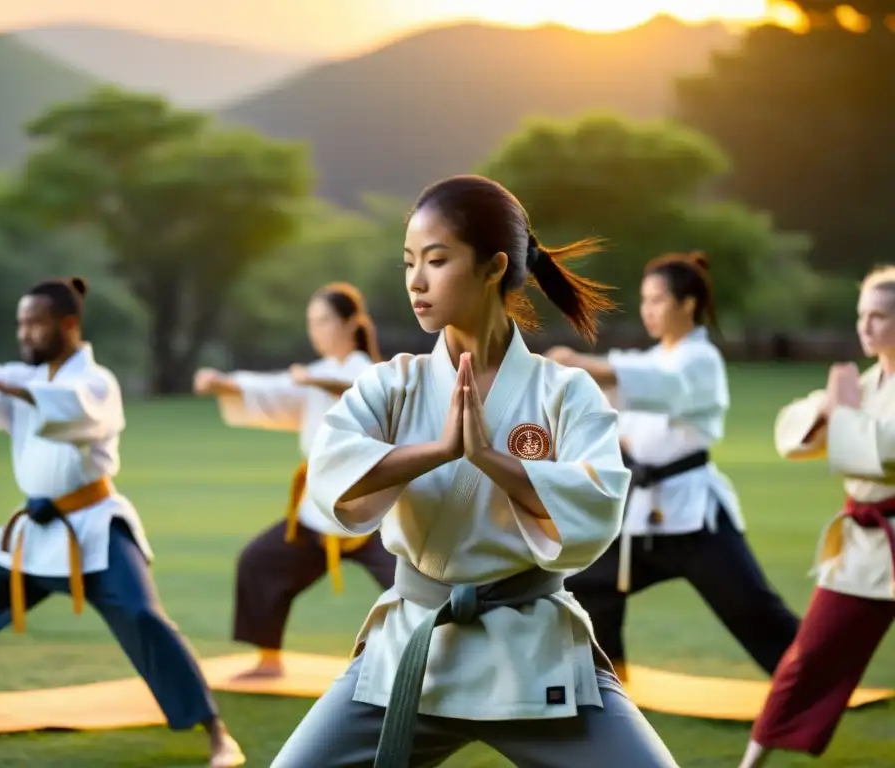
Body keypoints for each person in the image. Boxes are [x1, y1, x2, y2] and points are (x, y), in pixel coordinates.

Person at [270, 175, 678, 768]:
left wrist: (492, 459)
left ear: (493, 268)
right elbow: (333, 471)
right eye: (409, 262)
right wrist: (437, 451)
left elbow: (596, 505)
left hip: (534, 652)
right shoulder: (393, 384)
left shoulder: (564, 392)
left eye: (437, 260)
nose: (416, 280)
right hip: (415, 648)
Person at [0, 277, 244, 768]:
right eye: (21, 324)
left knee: (142, 616)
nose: (25, 333)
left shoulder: (95, 382)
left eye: (35, 323)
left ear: (68, 325)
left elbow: (78, 412)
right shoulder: (26, 378)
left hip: (92, 527)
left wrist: (8, 385)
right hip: (34, 529)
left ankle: (216, 732)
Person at [551, 252, 799, 682]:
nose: (648, 310)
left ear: (687, 304)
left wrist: (583, 363)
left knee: (752, 608)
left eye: (658, 300)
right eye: (644, 300)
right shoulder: (651, 359)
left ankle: (815, 682)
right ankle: (608, 684)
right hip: (638, 516)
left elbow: (655, 385)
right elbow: (621, 400)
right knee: (585, 584)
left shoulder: (700, 361)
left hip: (694, 517)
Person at [193, 283, 396, 680]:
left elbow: (361, 390)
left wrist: (314, 382)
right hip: (319, 509)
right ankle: (268, 659)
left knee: (418, 585)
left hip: (374, 512)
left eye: (323, 320)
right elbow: (272, 390)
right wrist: (223, 383)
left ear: (352, 323)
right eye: (311, 322)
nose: (315, 330)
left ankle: (438, 665)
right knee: (260, 562)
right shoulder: (313, 375)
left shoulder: (375, 373)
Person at [739, 266, 895, 767]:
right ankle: (750, 763)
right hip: (865, 547)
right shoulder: (864, 384)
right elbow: (794, 435)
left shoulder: (859, 392)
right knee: (808, 658)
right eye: (861, 315)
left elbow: (881, 452)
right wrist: (831, 408)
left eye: (879, 316)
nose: (866, 326)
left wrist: (843, 412)